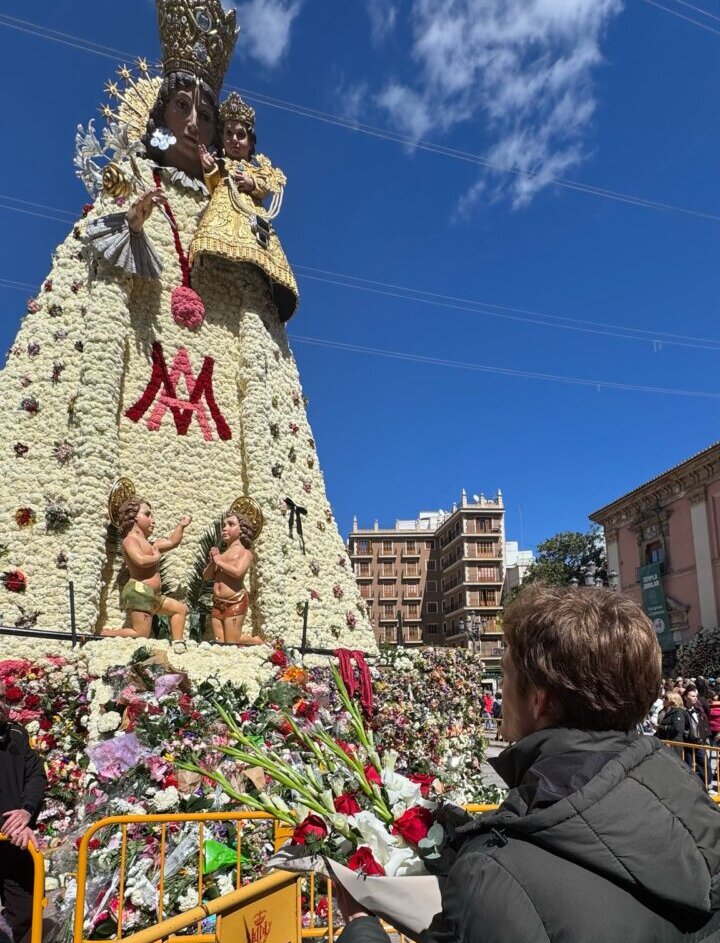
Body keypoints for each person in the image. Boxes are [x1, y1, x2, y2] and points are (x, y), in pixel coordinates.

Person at [335, 585, 720, 943]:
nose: (500, 690)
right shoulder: (691, 801)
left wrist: (359, 926)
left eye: (505, 674)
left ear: (538, 700)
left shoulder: (491, 876)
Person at [194, 91, 298, 321]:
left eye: (240, 135)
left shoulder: (255, 169)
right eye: (228, 134)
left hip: (251, 214)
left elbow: (266, 186)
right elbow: (213, 186)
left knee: (256, 252)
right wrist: (210, 169)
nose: (234, 140)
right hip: (223, 208)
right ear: (221, 138)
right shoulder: (221, 164)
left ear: (250, 143)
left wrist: (252, 183)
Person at [102, 498, 191, 648]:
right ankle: (105, 634)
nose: (153, 520)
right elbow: (140, 560)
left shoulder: (151, 545)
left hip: (153, 595)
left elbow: (172, 542)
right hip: (139, 590)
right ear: (134, 516)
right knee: (141, 633)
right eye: (147, 515)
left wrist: (181, 526)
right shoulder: (130, 540)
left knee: (180, 610)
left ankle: (178, 643)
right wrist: (156, 557)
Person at [0, 681, 47, 943]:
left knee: (27, 911)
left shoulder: (16, 733)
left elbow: (36, 775)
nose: (1, 705)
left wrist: (26, 813)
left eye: (3, 698)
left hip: (15, 842)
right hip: (10, 833)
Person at [203, 510, 263, 645]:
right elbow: (206, 576)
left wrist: (219, 562)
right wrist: (213, 562)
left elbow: (238, 572)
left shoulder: (245, 553)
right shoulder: (221, 555)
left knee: (232, 641)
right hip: (217, 603)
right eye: (224, 525)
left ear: (242, 530)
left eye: (231, 524)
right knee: (220, 642)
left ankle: (257, 641)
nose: (225, 528)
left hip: (235, 600)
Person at [684, 686, 711, 786]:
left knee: (705, 765)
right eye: (692, 696)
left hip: (699, 742)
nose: (695, 698)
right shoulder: (682, 711)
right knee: (689, 766)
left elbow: (704, 725)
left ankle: (706, 785)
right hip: (687, 743)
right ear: (685, 697)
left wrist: (705, 737)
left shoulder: (699, 710)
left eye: (696, 696)